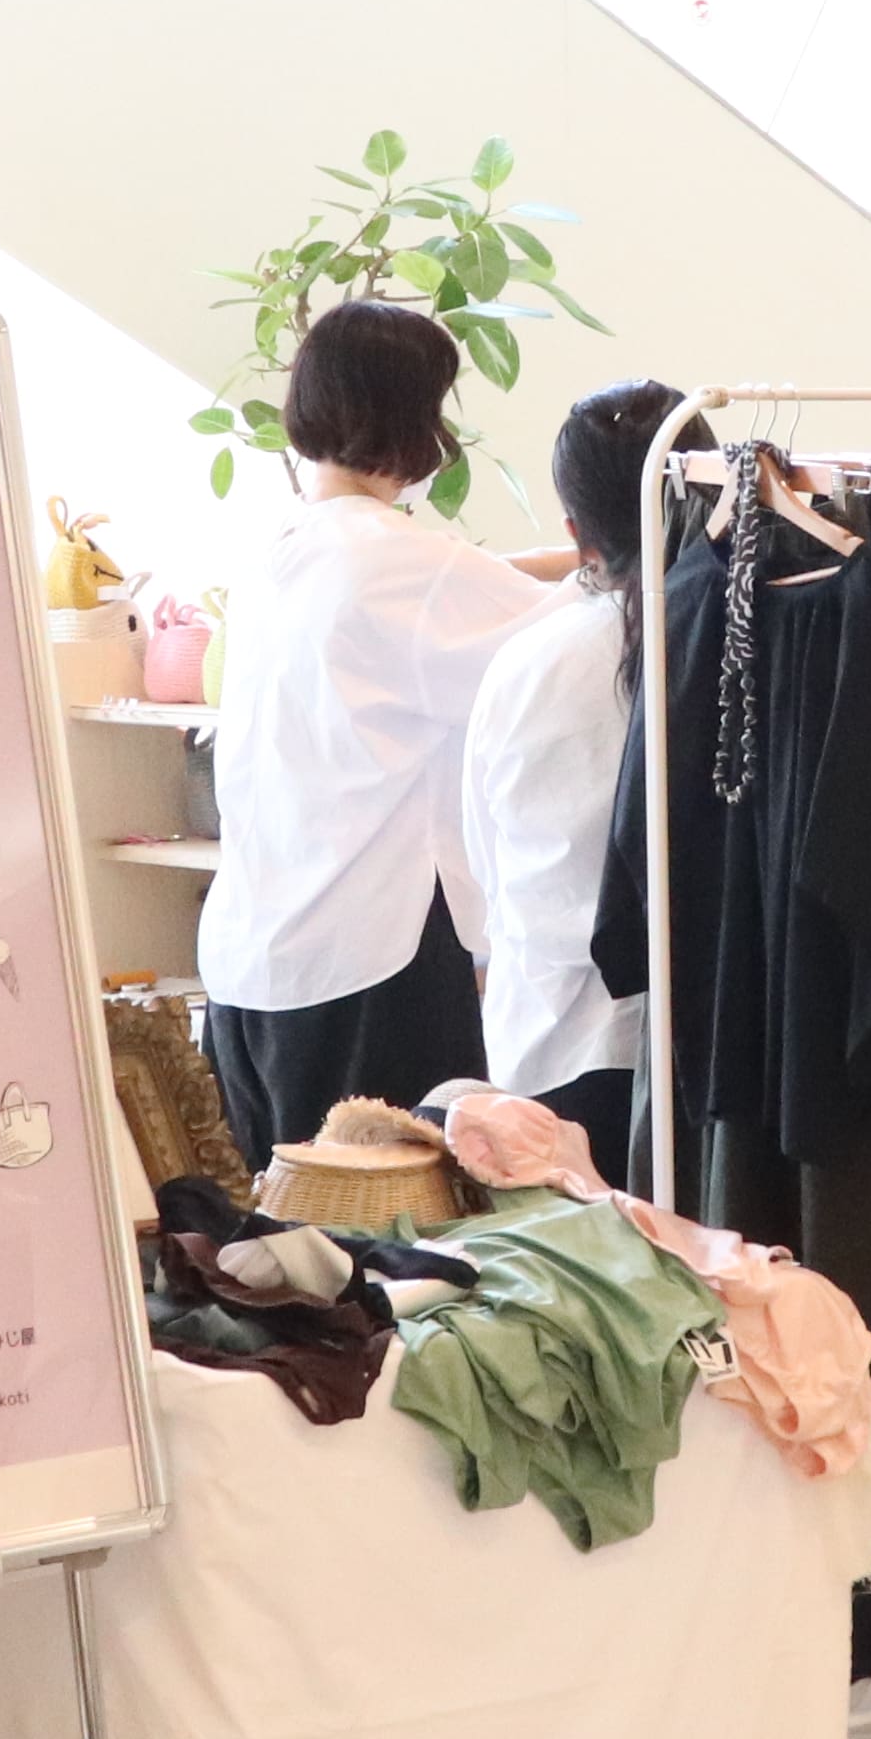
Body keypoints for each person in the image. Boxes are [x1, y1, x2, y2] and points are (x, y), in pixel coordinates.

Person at [193, 301, 573, 1161]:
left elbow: (475, 582)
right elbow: (555, 634)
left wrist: (574, 556)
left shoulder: (282, 550)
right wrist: (639, 553)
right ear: (412, 415)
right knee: (403, 1226)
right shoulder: (404, 565)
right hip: (365, 955)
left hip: (251, 958)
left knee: (288, 1228)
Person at [463, 376, 681, 1189]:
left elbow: (485, 863)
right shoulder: (743, 648)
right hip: (691, 1049)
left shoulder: (525, 663)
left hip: (547, 1043)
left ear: (575, 532)